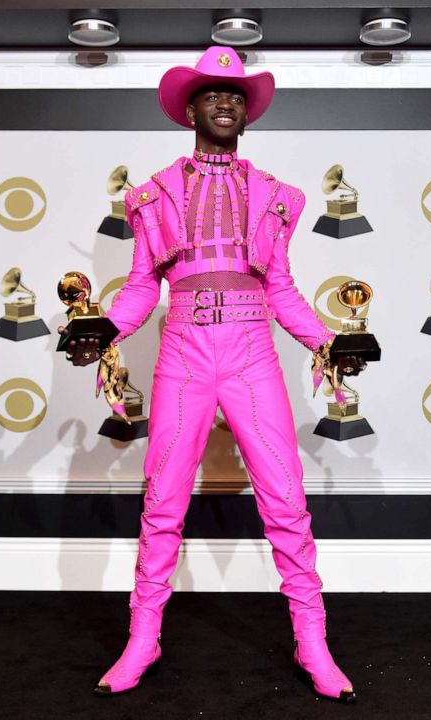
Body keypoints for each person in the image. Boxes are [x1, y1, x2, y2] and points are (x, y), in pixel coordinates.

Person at [60, 45, 366, 703]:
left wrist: (327, 339)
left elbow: (280, 288)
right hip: (184, 356)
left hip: (252, 354)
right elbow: (143, 285)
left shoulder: (278, 197)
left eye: (236, 95)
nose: (226, 103)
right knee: (162, 502)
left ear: (245, 112)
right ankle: (144, 638)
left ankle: (312, 641)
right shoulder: (152, 195)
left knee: (285, 502)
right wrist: (106, 328)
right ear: (191, 109)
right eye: (213, 94)